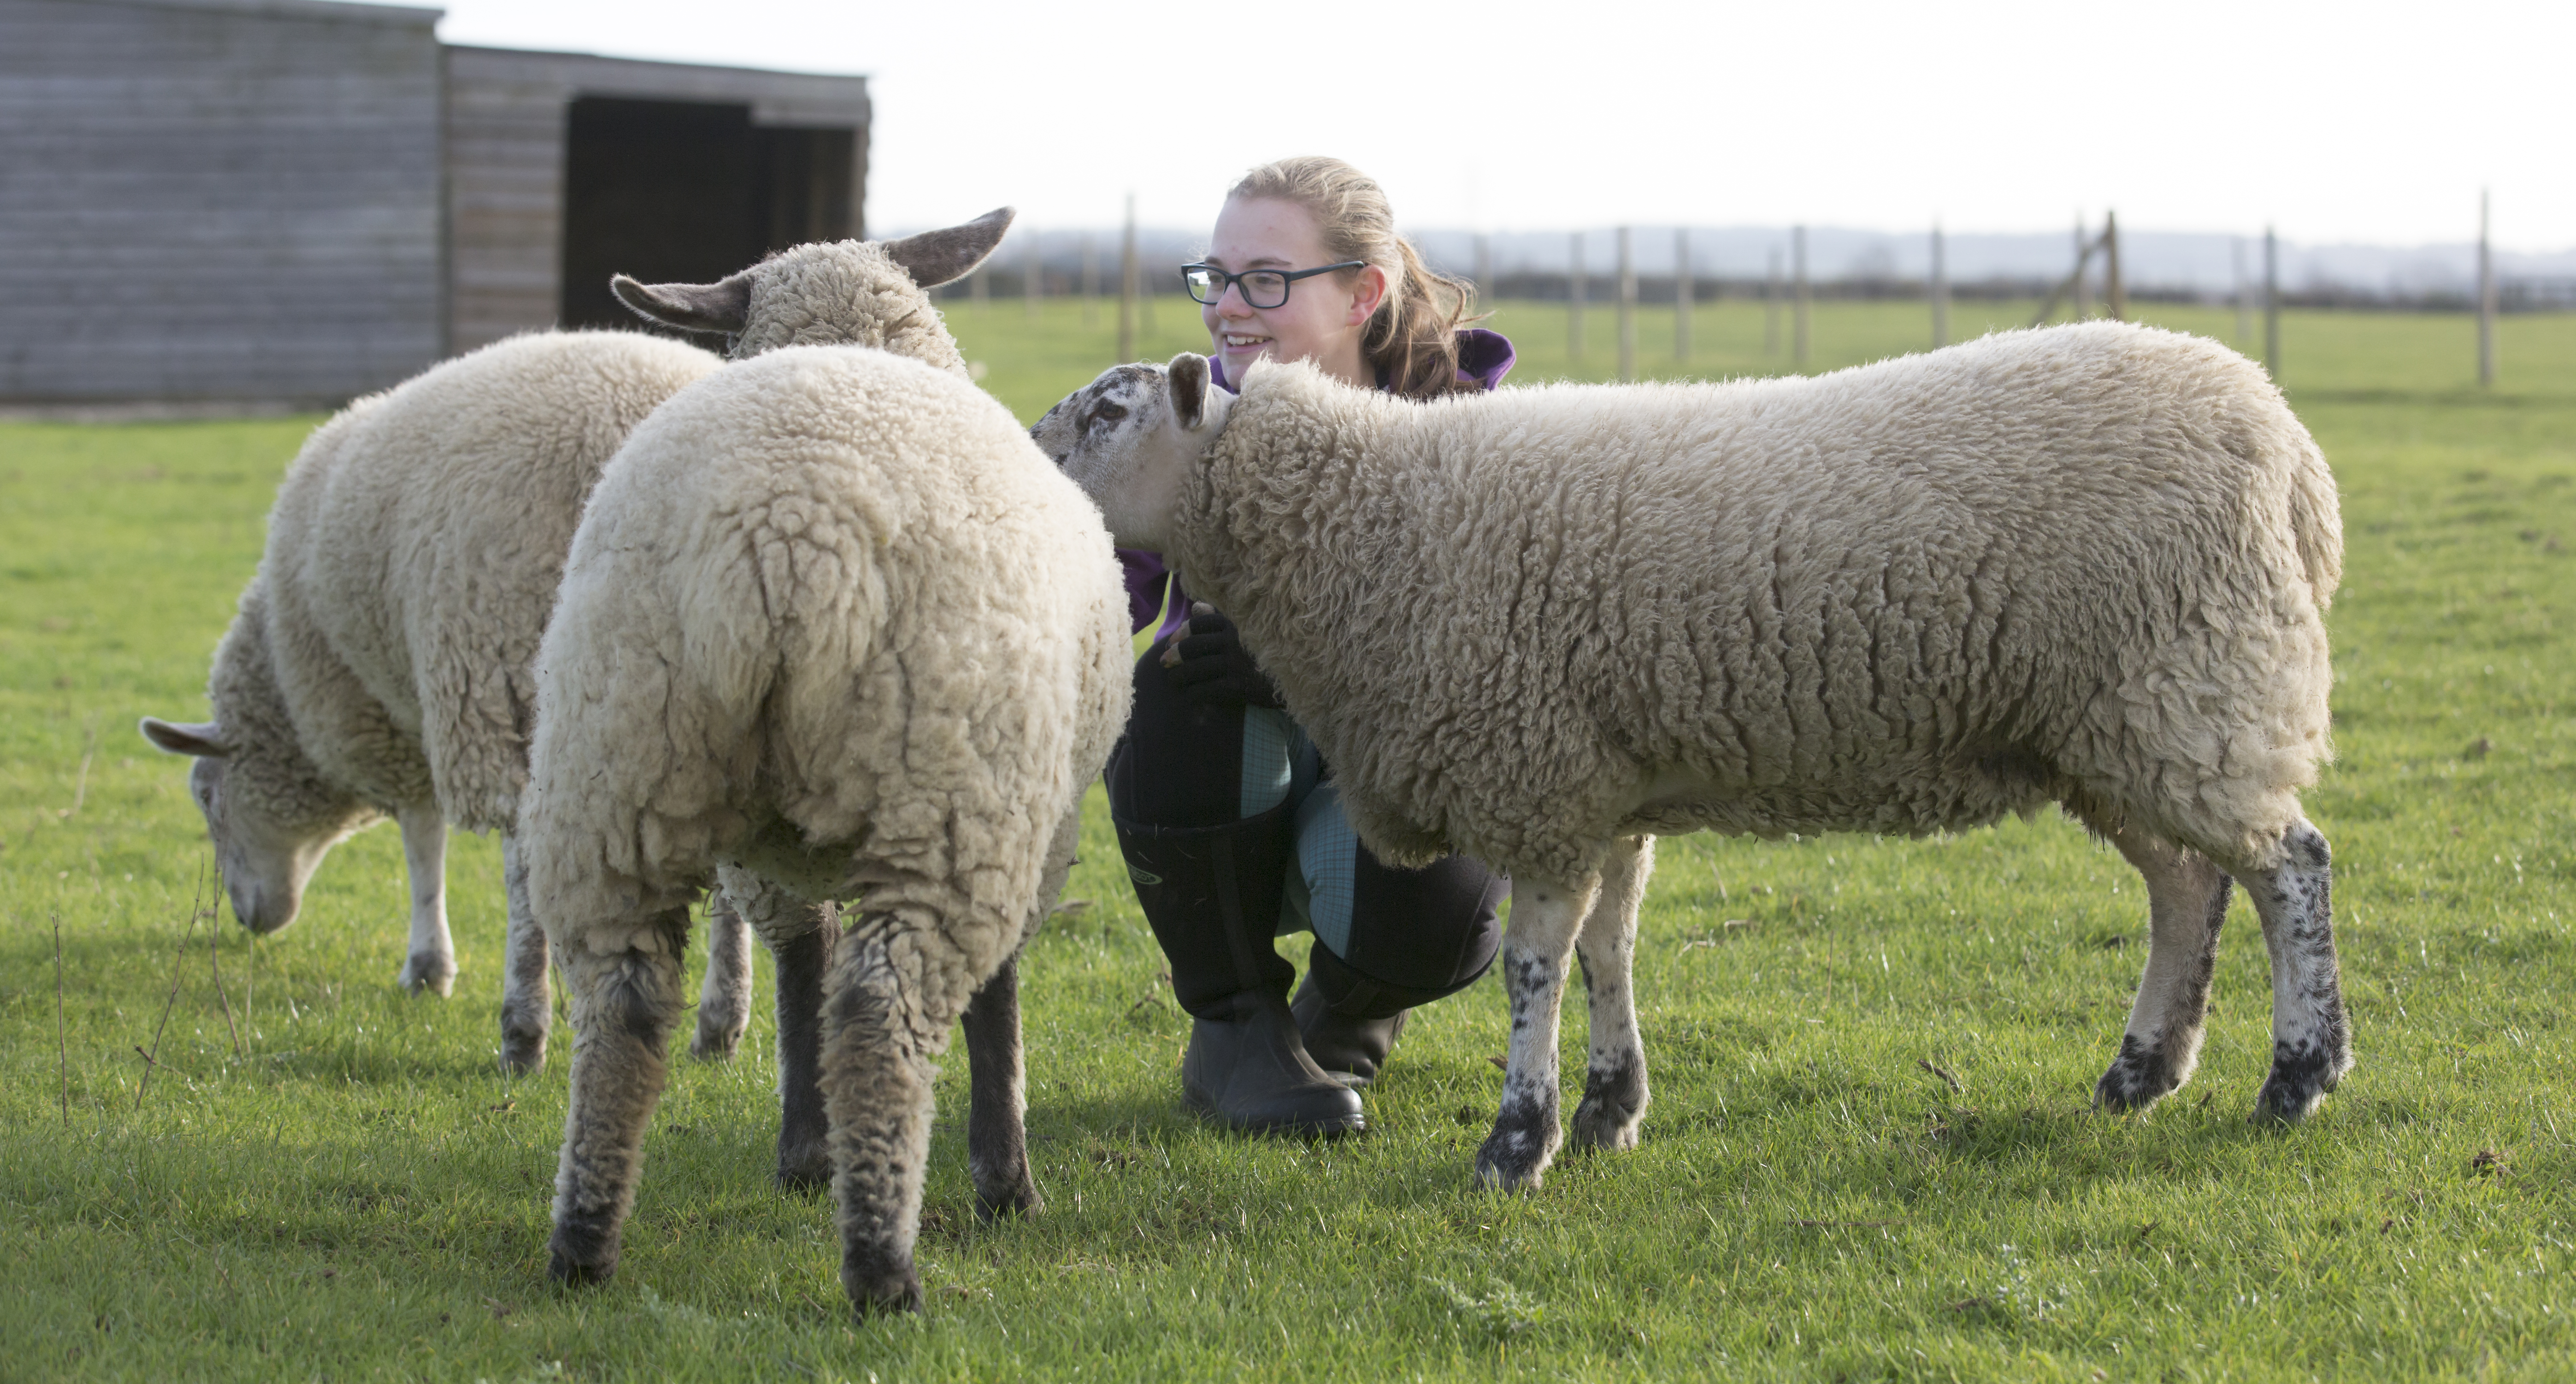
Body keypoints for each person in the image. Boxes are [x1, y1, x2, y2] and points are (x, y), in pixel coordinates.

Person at [1108, 156, 1515, 1136]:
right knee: (1178, 681)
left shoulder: (1469, 429)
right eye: (1215, 277)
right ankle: (1234, 1027)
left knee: (1444, 874)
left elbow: (1496, 664)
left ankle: (1345, 1010)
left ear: (1361, 293)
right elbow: (1096, 587)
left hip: (1378, 800)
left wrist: (1313, 670)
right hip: (1226, 791)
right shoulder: (1184, 418)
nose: (1227, 308)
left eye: (1266, 280)